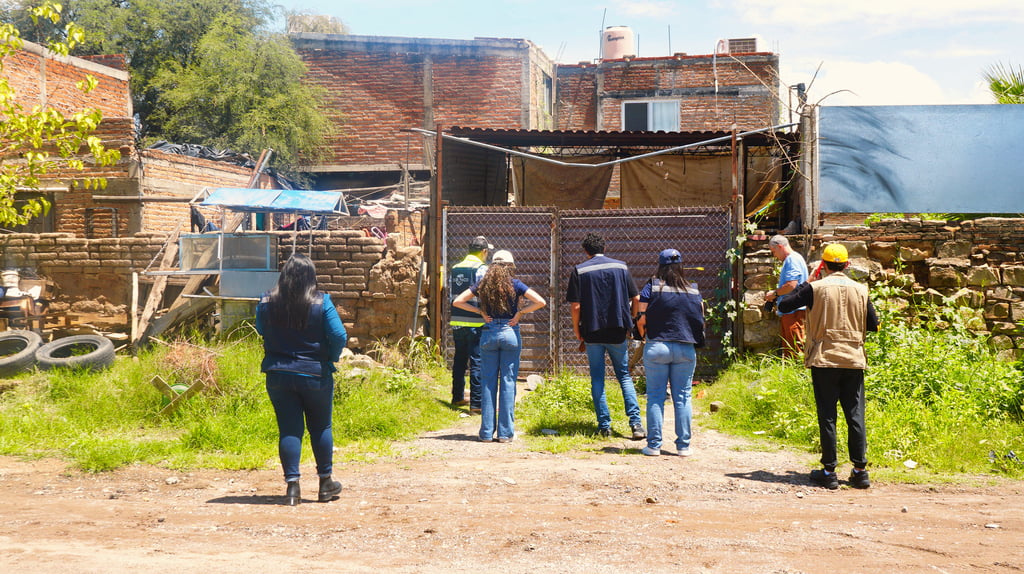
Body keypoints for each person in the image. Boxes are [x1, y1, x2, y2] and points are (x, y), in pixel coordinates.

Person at [777, 244, 879, 490]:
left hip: (824, 358)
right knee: (855, 414)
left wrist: (807, 282)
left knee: (828, 415)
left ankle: (829, 471)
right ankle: (860, 471)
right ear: (847, 264)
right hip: (853, 359)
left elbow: (784, 305)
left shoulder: (815, 288)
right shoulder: (861, 290)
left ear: (823, 265)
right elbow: (873, 325)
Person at [255, 254, 348, 506]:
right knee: (321, 427)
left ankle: (292, 488)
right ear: (311, 277)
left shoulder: (266, 300)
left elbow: (261, 329)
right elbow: (339, 335)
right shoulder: (322, 301)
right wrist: (331, 357)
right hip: (315, 373)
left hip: (278, 373)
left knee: (289, 429)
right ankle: (325, 484)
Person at [452, 250, 546, 443]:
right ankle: (505, 434)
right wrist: (520, 313)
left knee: (488, 382)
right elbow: (540, 301)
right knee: (508, 382)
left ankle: (486, 433)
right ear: (510, 266)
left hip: (489, 333)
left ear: (492, 266)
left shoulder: (483, 284)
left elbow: (458, 301)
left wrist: (480, 311)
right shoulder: (515, 284)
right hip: (510, 332)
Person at [566, 233, 645, 440]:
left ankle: (604, 427)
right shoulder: (621, 267)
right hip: (618, 330)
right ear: (605, 247)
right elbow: (636, 298)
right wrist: (632, 320)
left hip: (592, 332)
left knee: (597, 378)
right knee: (624, 376)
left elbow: (576, 306)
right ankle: (636, 425)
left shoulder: (579, 270)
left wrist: (577, 330)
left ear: (585, 251)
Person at [635, 249, 705, 457]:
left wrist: (645, 337)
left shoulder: (651, 287)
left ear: (660, 266)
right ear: (681, 266)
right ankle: (683, 447)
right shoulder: (693, 290)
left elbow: (641, 318)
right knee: (683, 397)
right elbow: (701, 320)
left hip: (657, 346)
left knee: (656, 396)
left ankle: (654, 446)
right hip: (685, 347)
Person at [449, 235, 491, 413]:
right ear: (484, 251)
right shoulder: (482, 269)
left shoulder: (455, 268)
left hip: (457, 320)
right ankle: (476, 404)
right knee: (476, 362)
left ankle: (457, 397)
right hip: (475, 322)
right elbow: (486, 295)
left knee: (459, 360)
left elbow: (451, 295)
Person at [764, 235, 809, 358]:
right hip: (793, 309)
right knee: (791, 347)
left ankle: (797, 368)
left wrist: (774, 294)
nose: (774, 256)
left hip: (793, 311)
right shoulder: (795, 258)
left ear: (780, 247)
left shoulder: (791, 260)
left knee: (794, 349)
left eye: (774, 251)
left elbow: (791, 285)